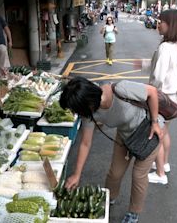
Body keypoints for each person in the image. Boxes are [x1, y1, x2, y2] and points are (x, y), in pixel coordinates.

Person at [60, 77, 163, 223]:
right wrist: (77, 174)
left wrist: (155, 122)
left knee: (138, 175)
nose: (76, 114)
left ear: (87, 102)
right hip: (125, 136)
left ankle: (134, 212)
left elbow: (152, 92)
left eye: (76, 110)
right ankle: (109, 197)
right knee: (115, 173)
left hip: (148, 132)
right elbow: (85, 143)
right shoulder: (89, 114)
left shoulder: (121, 89)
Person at [147, 9, 177, 184]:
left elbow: (158, 77)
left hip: (161, 98)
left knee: (156, 135)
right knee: (164, 133)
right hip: (173, 97)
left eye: (161, 21)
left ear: (169, 25)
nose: (158, 24)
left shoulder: (165, 47)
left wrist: (149, 93)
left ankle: (160, 174)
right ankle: (164, 164)